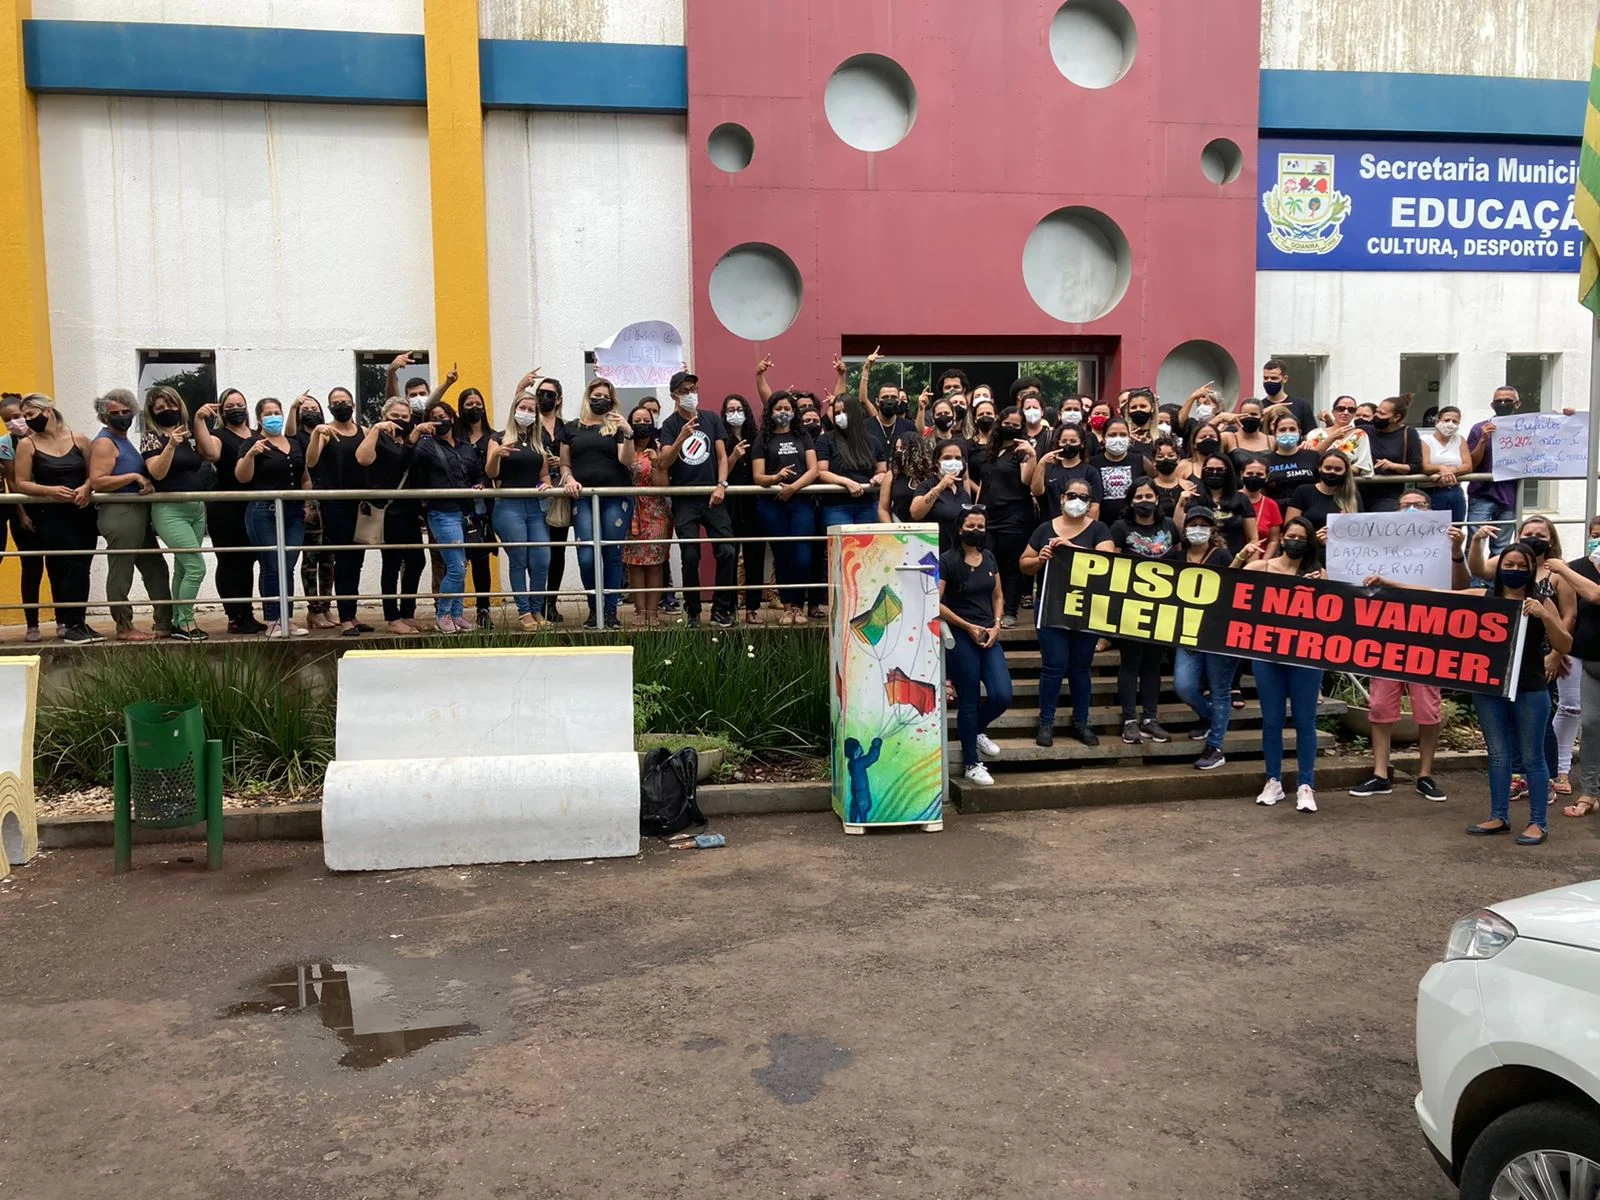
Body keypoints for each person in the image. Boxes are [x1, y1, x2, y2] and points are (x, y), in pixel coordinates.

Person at [1348, 489, 1464, 803]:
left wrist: (1457, 552)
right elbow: (1350, 575)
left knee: (1428, 709)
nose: (1412, 510)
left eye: (1419, 505)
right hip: (1386, 633)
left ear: (1431, 508)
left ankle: (1425, 774)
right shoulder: (1376, 544)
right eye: (1405, 505)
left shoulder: (1446, 544)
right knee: (1380, 708)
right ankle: (1380, 774)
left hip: (1427, 634)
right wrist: (1332, 544)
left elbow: (1463, 586)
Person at [1464, 540, 1568, 844]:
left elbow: (1565, 644)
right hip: (1488, 688)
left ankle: (1539, 822)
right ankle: (1499, 816)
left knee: (1533, 756)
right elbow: (1440, 598)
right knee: (1498, 755)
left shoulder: (1541, 602)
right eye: (1509, 565)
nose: (1515, 570)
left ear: (1532, 569)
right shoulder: (1484, 597)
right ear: (1499, 568)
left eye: (1522, 566)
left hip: (1530, 688)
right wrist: (1388, 584)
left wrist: (1545, 615)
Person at [1243, 516, 1325, 812]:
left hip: (1305, 655)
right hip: (1266, 653)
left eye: (1301, 538)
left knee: (1305, 722)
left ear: (1309, 543)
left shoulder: (1318, 575)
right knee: (1272, 721)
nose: (1294, 541)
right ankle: (1273, 781)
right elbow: (1228, 581)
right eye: (1290, 535)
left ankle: (1306, 784)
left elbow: (1328, 617)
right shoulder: (1262, 568)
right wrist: (1242, 554)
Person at [1020, 480, 1111, 747]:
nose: (1077, 500)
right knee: (1053, 666)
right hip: (1052, 607)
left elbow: (1108, 562)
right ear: (1062, 498)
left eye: (1084, 497)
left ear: (1090, 502)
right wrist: (1040, 559)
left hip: (1086, 608)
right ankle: (1046, 723)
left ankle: (1081, 723)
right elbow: (1023, 563)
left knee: (1081, 668)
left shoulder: (1099, 529)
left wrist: (1071, 548)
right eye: (1073, 495)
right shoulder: (1044, 528)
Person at [13, 394, 101, 643]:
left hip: (82, 512)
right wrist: (49, 491)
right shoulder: (27, 445)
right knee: (68, 566)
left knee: (83, 567)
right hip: (51, 515)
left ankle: (79, 622)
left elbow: (95, 473)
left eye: (31, 414)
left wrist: (87, 487)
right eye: (25, 416)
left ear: (48, 410)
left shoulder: (79, 439)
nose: (29, 420)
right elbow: (21, 482)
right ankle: (69, 622)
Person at [138, 386, 221, 641]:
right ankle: (184, 622)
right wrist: (171, 445)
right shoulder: (152, 437)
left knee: (184, 570)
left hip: (195, 508)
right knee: (196, 567)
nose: (167, 411)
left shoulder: (186, 435)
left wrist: (197, 423)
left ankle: (176, 620)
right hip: (169, 511)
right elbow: (158, 473)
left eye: (171, 406)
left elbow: (211, 456)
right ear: (152, 412)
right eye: (160, 408)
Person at [89, 387, 172, 641]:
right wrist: (134, 476)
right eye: (116, 412)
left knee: (155, 568)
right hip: (119, 513)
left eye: (127, 411)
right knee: (121, 571)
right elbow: (98, 481)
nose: (122, 416)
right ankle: (124, 625)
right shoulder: (105, 442)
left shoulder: (125, 441)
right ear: (105, 416)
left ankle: (164, 622)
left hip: (139, 513)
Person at [939, 504, 1012, 786]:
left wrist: (996, 624)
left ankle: (978, 730)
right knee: (968, 700)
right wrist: (967, 626)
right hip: (961, 634)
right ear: (960, 529)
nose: (976, 531)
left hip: (988, 634)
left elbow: (998, 596)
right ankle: (971, 762)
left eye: (980, 526)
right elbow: (936, 601)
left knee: (1002, 694)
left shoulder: (990, 558)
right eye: (971, 526)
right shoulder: (947, 560)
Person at [658, 372, 736, 628]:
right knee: (690, 555)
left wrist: (721, 485)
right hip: (684, 500)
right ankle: (692, 611)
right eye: (684, 390)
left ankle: (722, 610)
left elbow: (723, 456)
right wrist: (681, 436)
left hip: (714, 497)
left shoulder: (711, 418)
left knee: (727, 550)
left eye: (693, 388)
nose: (690, 394)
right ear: (674, 396)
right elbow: (664, 462)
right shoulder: (669, 425)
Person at [561, 378, 635, 630]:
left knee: (611, 553)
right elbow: (564, 463)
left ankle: (611, 611)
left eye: (606, 396)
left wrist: (628, 432)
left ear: (612, 402)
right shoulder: (571, 427)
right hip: (582, 498)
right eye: (596, 394)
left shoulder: (614, 428)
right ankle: (595, 607)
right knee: (586, 555)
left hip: (615, 497)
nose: (600, 399)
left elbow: (626, 460)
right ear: (588, 396)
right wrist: (568, 478)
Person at [1107, 478, 1175, 743]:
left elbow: (1179, 560)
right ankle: (1129, 720)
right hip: (1131, 605)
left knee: (1153, 663)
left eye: (1149, 497)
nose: (1144, 502)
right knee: (1130, 662)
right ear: (1130, 501)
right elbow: (1112, 562)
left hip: (1163, 607)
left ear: (1157, 499)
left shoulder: (1169, 526)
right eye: (1139, 497)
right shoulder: (1120, 527)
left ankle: (1150, 718)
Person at [233, 397, 308, 638]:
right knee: (271, 565)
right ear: (259, 419)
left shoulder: (295, 442)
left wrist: (308, 502)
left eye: (277, 412)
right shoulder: (251, 443)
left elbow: (304, 475)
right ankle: (273, 619)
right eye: (268, 413)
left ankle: (287, 617)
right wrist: (251, 455)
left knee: (288, 565)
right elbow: (242, 477)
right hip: (263, 511)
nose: (273, 416)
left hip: (294, 511)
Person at [1168, 505, 1236, 769]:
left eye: (1203, 524)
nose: (1198, 529)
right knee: (1183, 686)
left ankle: (1216, 746)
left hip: (1219, 634)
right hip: (1187, 633)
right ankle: (1209, 717)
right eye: (1193, 524)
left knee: (1220, 691)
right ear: (1184, 529)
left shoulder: (1222, 556)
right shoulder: (1175, 556)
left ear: (1212, 529)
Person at [408, 398, 481, 633]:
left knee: (462, 565)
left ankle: (457, 614)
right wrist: (417, 432)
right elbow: (407, 460)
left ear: (452, 418)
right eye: (434, 417)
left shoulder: (465, 446)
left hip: (465, 513)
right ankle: (443, 615)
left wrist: (481, 484)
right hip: (442, 512)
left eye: (443, 416)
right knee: (456, 567)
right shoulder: (425, 446)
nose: (440, 421)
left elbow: (478, 473)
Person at [302, 386, 370, 636]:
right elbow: (310, 461)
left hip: (361, 505)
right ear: (329, 407)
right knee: (343, 560)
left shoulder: (364, 430)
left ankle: (352, 613)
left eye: (345, 401)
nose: (340, 405)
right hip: (337, 504)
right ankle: (345, 619)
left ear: (353, 405)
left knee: (357, 561)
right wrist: (316, 435)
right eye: (335, 402)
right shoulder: (326, 432)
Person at [484, 389, 553, 631]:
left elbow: (543, 474)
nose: (526, 413)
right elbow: (491, 473)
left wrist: (547, 484)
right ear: (514, 410)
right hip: (508, 506)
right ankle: (524, 612)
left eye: (531, 410)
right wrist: (496, 455)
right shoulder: (499, 437)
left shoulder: (538, 441)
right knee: (519, 559)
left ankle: (537, 608)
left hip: (534, 505)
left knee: (542, 558)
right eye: (522, 408)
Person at [354, 396, 423, 633]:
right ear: (385, 417)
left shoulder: (408, 437)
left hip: (410, 510)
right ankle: (392, 617)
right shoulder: (380, 438)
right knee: (391, 563)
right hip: (389, 511)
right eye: (395, 416)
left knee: (417, 561)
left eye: (405, 417)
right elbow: (363, 458)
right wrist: (375, 429)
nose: (401, 420)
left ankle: (407, 612)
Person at [751, 390, 818, 626]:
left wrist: (793, 487)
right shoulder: (763, 439)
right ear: (770, 412)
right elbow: (758, 476)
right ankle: (788, 608)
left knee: (802, 556)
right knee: (782, 555)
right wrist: (776, 477)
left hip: (800, 502)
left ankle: (801, 606)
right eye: (778, 408)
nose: (783, 413)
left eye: (787, 409)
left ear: (794, 411)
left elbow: (814, 470)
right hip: (772, 505)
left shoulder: (803, 436)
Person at [1548, 522, 1600, 819]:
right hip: (1586, 660)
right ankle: (1590, 791)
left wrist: (1562, 569)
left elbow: (1595, 595)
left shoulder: (1567, 570)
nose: (1598, 541)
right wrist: (1558, 650)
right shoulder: (1577, 566)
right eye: (1595, 536)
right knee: (1591, 726)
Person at [208, 388, 267, 635]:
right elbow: (209, 453)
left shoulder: (257, 435)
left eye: (240, 404)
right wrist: (200, 421)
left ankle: (248, 613)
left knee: (248, 562)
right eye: (230, 405)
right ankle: (234, 616)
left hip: (252, 508)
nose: (236, 409)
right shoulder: (218, 435)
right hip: (226, 508)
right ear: (222, 410)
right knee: (230, 561)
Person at [977, 407, 1039, 628]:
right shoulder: (991, 452)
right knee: (988, 563)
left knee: (1011, 566)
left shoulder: (1021, 451)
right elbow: (984, 483)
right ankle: (991, 609)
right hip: (989, 516)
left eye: (1016, 425)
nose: (1010, 428)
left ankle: (1010, 611)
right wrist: (977, 509)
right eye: (1007, 423)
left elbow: (1027, 480)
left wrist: (1032, 455)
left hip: (1015, 517)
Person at [287, 393, 337, 629]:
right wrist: (293, 407)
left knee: (329, 557)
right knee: (311, 557)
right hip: (310, 500)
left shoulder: (330, 431)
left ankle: (326, 607)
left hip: (331, 499)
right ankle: (313, 609)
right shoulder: (296, 437)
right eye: (305, 408)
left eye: (314, 407)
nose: (310, 411)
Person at [619, 406, 670, 628]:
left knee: (655, 564)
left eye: (646, 420)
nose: (642, 424)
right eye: (636, 420)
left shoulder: (659, 447)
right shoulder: (623, 446)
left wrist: (657, 462)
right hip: (630, 511)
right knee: (635, 563)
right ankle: (640, 612)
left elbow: (663, 486)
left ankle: (653, 612)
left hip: (656, 511)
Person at [0, 395, 45, 641]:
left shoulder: (45, 438)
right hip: (22, 514)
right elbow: (12, 482)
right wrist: (22, 513)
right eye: (7, 420)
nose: (14, 422)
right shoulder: (5, 444)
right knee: (31, 568)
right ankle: (32, 625)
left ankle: (64, 622)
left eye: (17, 416)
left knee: (59, 566)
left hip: (51, 510)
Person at [719, 393, 766, 623]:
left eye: (739, 408)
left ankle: (752, 607)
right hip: (728, 505)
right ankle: (729, 607)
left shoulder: (756, 438)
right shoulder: (721, 439)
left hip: (753, 504)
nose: (735, 413)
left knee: (754, 556)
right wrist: (733, 456)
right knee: (728, 555)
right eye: (730, 409)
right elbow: (720, 472)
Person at [455, 386, 499, 630]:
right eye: (468, 404)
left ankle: (484, 610)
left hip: (483, 506)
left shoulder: (493, 436)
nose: (474, 408)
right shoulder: (454, 435)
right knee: (456, 561)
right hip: (457, 504)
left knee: (481, 560)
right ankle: (454, 611)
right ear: (461, 408)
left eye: (477, 403)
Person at [815, 394, 887, 531]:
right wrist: (847, 482)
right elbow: (822, 472)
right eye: (837, 413)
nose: (840, 416)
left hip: (868, 505)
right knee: (841, 550)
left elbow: (882, 470)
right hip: (836, 506)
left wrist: (879, 477)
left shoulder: (873, 441)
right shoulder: (826, 440)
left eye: (844, 412)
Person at [1465, 386, 1522, 554]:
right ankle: (1474, 581)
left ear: (1517, 404)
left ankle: (1495, 580)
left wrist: (1566, 416)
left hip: (1510, 494)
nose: (1503, 404)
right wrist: (1483, 440)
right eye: (1499, 401)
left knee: (1502, 547)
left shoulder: (1527, 428)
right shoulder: (1479, 428)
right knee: (1475, 543)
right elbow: (1472, 464)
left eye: (1508, 401)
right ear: (1492, 405)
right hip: (1481, 494)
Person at [1175, 454, 1256, 558]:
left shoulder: (1242, 499)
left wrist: (1250, 567)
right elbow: (1178, 533)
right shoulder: (1192, 497)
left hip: (1236, 561)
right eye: (1209, 469)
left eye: (1220, 470)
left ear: (1228, 471)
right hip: (1200, 560)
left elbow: (1253, 538)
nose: (1214, 473)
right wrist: (1181, 503)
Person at [910, 439, 976, 553]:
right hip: (932, 551)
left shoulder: (963, 493)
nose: (953, 461)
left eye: (958, 458)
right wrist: (940, 487)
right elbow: (915, 513)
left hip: (956, 554)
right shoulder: (926, 486)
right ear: (937, 462)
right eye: (947, 458)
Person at [1362, 394, 1424, 511]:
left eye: (1382, 414)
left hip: (1389, 495)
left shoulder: (1409, 433)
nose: (1376, 416)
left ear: (1396, 417)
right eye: (1377, 411)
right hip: (1360, 491)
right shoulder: (1365, 430)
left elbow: (1416, 466)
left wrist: (1393, 466)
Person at [797, 405, 829, 619]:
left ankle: (815, 604)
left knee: (819, 557)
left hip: (825, 505)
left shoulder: (827, 442)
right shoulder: (797, 442)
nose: (812, 425)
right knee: (801, 556)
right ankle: (797, 603)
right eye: (807, 421)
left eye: (815, 421)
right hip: (801, 505)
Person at [1032, 422, 1101, 521]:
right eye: (1064, 441)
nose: (1068, 444)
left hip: (1079, 526)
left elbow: (1094, 507)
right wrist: (1042, 463)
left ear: (1082, 444)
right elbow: (1036, 491)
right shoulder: (1048, 468)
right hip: (1050, 524)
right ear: (1058, 443)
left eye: (1073, 441)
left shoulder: (1090, 472)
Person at [857, 348, 917, 453]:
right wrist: (866, 369)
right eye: (885, 397)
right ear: (877, 401)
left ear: (899, 401)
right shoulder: (865, 426)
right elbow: (863, 399)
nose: (889, 400)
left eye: (893, 397)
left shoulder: (909, 426)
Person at [1285, 449, 1360, 532]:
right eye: (1328, 468)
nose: (1332, 472)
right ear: (1320, 468)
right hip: (1308, 543)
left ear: (1345, 471)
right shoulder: (1302, 491)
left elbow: (1361, 529)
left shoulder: (1352, 495)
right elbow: (1289, 529)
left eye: (1338, 469)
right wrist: (1315, 539)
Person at [1302, 395, 1374, 475]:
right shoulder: (1315, 434)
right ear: (1333, 412)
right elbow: (1309, 460)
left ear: (1354, 414)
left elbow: (1361, 466)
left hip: (1347, 483)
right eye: (1341, 409)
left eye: (1351, 410)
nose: (1346, 413)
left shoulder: (1360, 435)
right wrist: (1332, 438)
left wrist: (1334, 469)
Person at [1088, 416, 1139, 527]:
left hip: (1133, 524)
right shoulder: (1092, 463)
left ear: (1129, 437)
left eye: (1123, 435)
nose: (1118, 439)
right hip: (1103, 523)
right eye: (1112, 435)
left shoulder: (1140, 461)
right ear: (1104, 438)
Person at [1420, 404, 1467, 521]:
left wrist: (1450, 471)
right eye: (1447, 420)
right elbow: (1425, 466)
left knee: (1455, 530)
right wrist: (1441, 468)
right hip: (1431, 491)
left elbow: (1468, 465)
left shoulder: (1460, 439)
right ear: (1438, 421)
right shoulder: (1425, 440)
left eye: (1455, 421)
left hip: (1455, 490)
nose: (1450, 424)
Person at [1263, 411, 1319, 504]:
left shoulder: (1313, 456)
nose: (1287, 433)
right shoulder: (1265, 461)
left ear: (1299, 433)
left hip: (1309, 511)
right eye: (1282, 430)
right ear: (1274, 433)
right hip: (1277, 512)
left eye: (1292, 429)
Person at [878, 434, 934, 524]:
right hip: (899, 524)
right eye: (897, 448)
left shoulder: (930, 475)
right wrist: (892, 531)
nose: (898, 452)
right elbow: (883, 509)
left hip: (928, 528)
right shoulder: (891, 475)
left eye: (902, 448)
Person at [1257, 359, 1316, 435]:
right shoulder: (1258, 408)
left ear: (1284, 379)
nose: (1269, 381)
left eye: (1274, 378)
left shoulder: (1301, 406)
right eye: (1265, 378)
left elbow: (1311, 436)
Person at [1239, 459, 1282, 555]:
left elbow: (1273, 540)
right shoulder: (1230, 499)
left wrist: (1264, 564)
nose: (1254, 477)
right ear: (1241, 475)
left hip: (1258, 560)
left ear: (1266, 477)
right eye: (1249, 473)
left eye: (1259, 474)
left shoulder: (1271, 505)